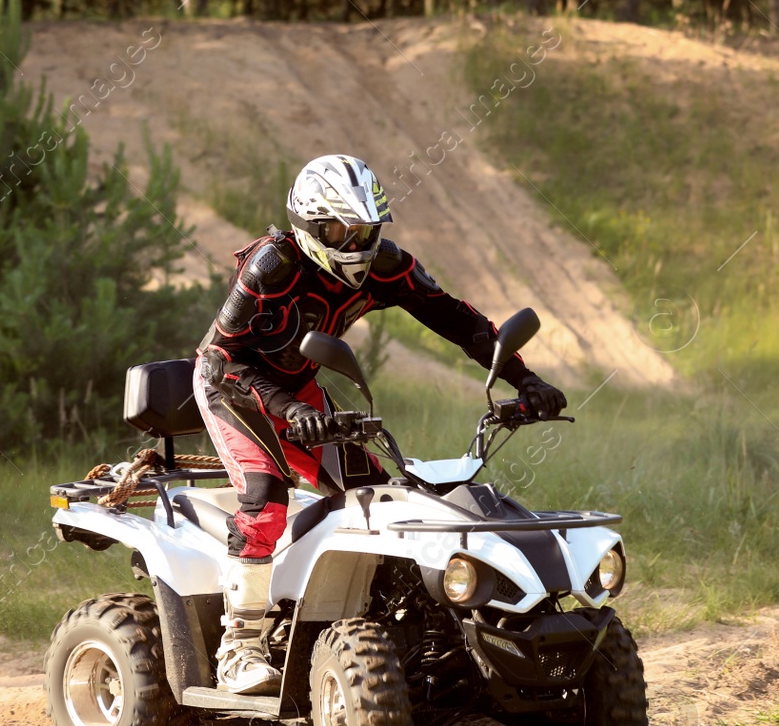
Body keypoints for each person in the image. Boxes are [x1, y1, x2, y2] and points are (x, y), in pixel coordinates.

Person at [194, 153, 568, 694]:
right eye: (344, 231)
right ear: (312, 228)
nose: (357, 245)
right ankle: (240, 647)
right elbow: (224, 357)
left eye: (367, 230)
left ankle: (393, 631)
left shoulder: (387, 265)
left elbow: (456, 318)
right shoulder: (270, 267)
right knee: (264, 498)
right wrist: (291, 409)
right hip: (232, 386)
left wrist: (523, 378)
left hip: (299, 389)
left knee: (378, 501)